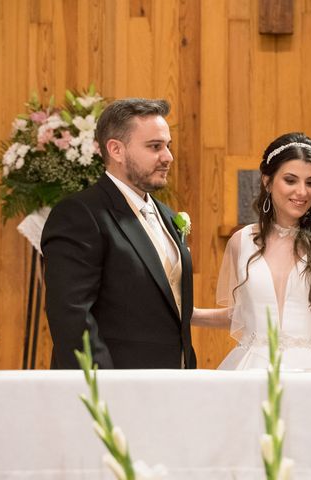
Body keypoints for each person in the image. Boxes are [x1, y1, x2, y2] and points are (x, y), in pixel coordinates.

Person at [41, 98, 195, 369]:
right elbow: (73, 318)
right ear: (116, 150)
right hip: (114, 387)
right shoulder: (81, 214)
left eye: (167, 146)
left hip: (175, 385)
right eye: (155, 146)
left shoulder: (169, 217)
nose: (168, 156)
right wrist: (106, 390)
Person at [192, 132, 311, 369]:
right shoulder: (240, 242)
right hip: (253, 367)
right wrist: (189, 315)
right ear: (267, 181)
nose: (302, 192)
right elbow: (245, 314)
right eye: (291, 180)